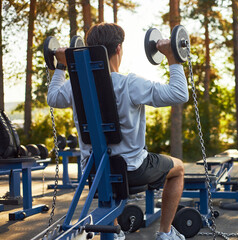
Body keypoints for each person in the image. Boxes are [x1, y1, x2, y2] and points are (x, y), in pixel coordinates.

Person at [47, 23, 188, 240]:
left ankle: (115, 232)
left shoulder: (76, 85)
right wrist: (172, 56)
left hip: (92, 173)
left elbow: (53, 98)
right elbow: (179, 94)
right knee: (178, 167)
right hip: (132, 171)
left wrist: (61, 66)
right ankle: (166, 233)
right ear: (119, 49)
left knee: (108, 174)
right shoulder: (129, 83)